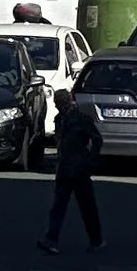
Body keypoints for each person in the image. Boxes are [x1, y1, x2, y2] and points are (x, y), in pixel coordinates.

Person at [41, 84, 106, 253]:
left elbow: (97, 139)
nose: (57, 106)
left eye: (59, 102)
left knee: (86, 206)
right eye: (56, 103)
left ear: (67, 102)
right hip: (64, 167)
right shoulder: (58, 119)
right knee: (58, 205)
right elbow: (60, 142)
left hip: (79, 168)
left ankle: (96, 240)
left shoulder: (81, 118)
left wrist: (90, 159)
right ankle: (51, 240)